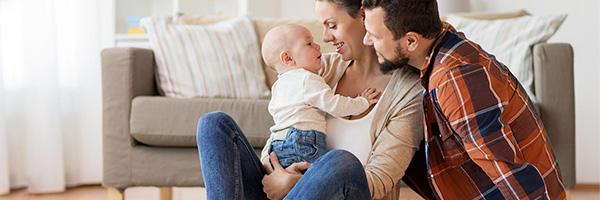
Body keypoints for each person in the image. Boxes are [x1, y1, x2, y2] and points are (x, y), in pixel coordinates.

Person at [196, 0, 424, 199]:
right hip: (281, 190)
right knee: (214, 124)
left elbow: (379, 180)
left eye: (332, 25)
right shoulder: (319, 67)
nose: (324, 37)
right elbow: (284, 128)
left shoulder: (407, 92)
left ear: (364, 16)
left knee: (342, 162)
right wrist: (274, 170)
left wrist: (296, 183)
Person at [361, 0, 567, 199]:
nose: (367, 42)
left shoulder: (456, 79)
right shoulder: (440, 43)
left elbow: (506, 171)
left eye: (375, 36)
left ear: (411, 41)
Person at [261, 24, 380, 169]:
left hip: (277, 145)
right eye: (309, 43)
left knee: (292, 187)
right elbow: (335, 105)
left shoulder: (278, 86)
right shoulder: (307, 79)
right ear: (288, 58)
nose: (318, 45)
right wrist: (363, 102)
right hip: (303, 144)